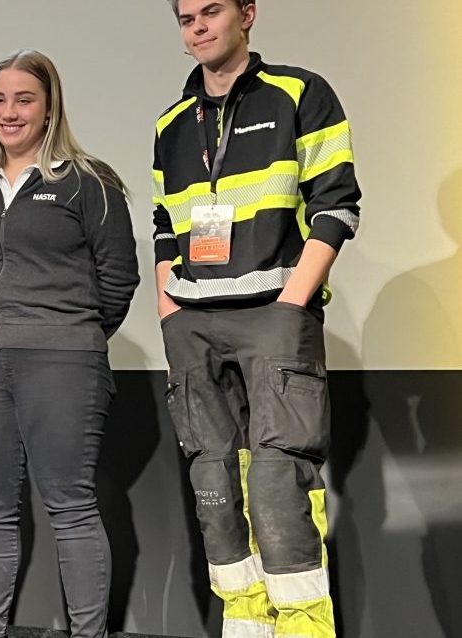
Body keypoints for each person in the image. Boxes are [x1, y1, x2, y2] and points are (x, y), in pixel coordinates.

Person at [152, 2, 360, 636]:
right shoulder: (172, 122)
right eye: (187, 17)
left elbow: (337, 206)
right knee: (214, 489)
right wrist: (169, 309)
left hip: (274, 315)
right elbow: (166, 225)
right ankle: (245, 627)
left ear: (248, 13)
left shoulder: (301, 92)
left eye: (212, 11)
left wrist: (292, 302)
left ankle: (301, 627)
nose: (199, 26)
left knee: (277, 488)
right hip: (193, 323)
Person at [0, 50, 139, 638]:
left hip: (65, 360)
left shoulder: (88, 182)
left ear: (50, 106)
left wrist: (69, 331)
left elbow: (118, 278)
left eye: (24, 99)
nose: (9, 112)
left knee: (71, 506)